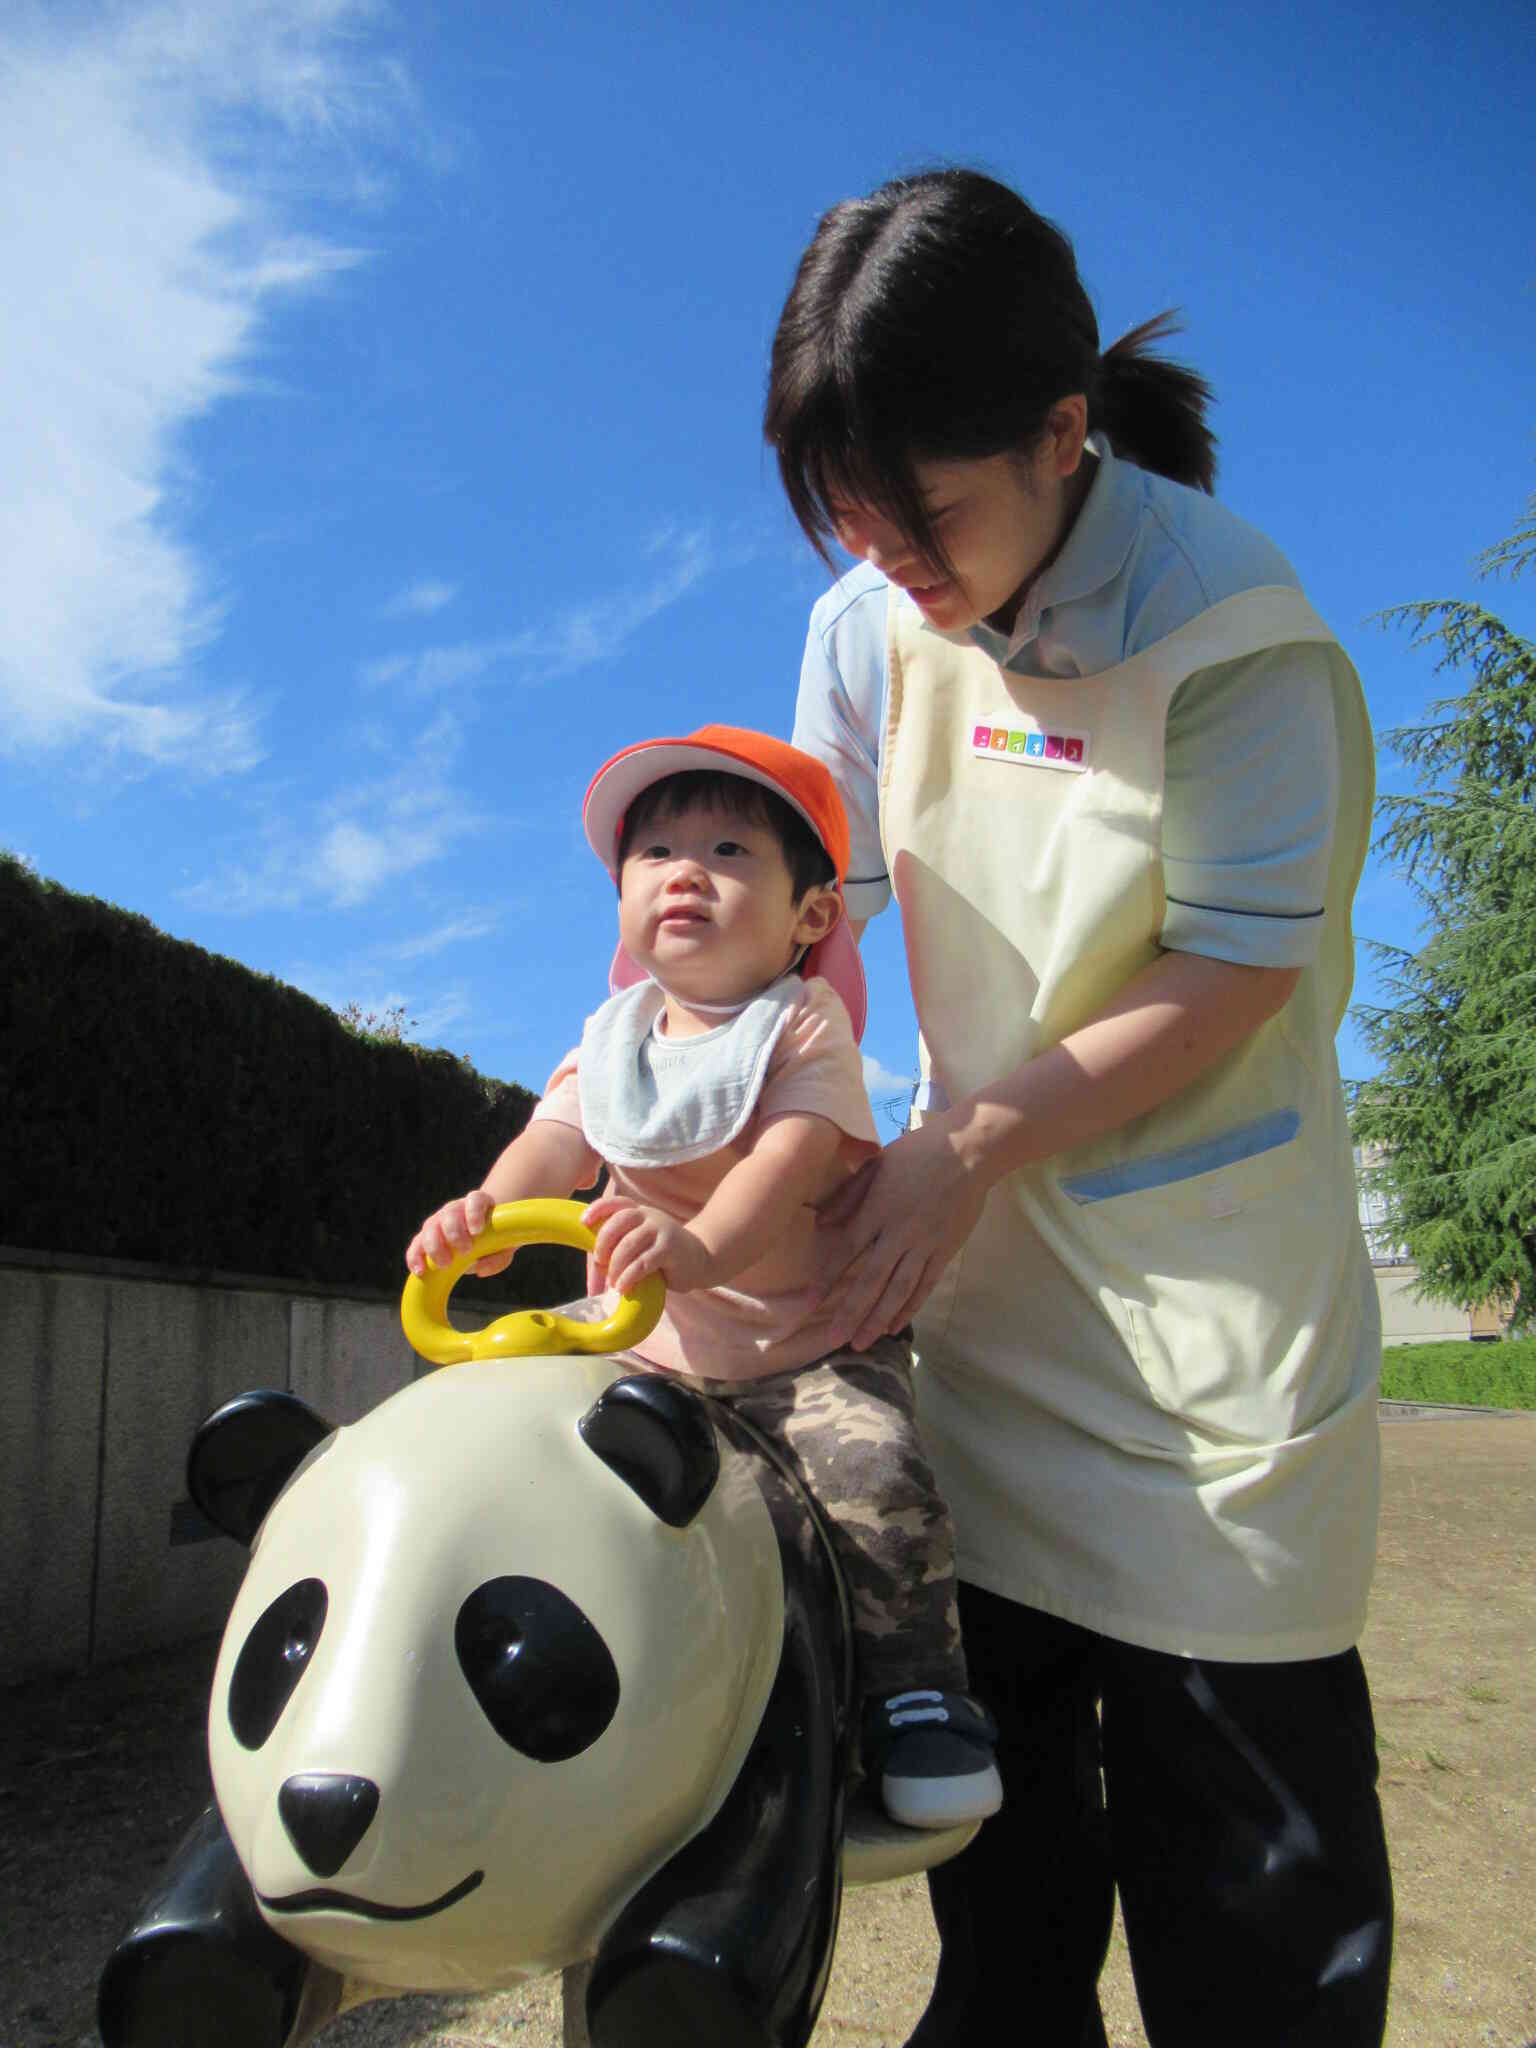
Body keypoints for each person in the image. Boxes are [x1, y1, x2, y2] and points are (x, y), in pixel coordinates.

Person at [763, 168, 1393, 2045]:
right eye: (850, 521)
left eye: (925, 515)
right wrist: (786, 1110)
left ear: (1062, 435)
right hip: (990, 1311)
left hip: (1217, 1344)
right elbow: (826, 924)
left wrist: (964, 1137)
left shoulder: (1237, 633)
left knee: (1251, 1911)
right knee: (1005, 1898)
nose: (890, 561)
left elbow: (1236, 968)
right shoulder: (872, 622)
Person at [407, 723, 1002, 1831]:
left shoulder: (801, 1030)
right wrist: (484, 1216)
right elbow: (553, 1144)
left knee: (876, 1475)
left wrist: (695, 1249)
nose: (686, 869)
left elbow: (783, 1167)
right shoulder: (613, 1036)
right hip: (642, 1336)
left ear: (811, 914)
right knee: (486, 1420)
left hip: (800, 1341)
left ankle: (917, 1691)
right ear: (624, 899)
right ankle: (480, 1661)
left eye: (730, 850)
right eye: (655, 852)